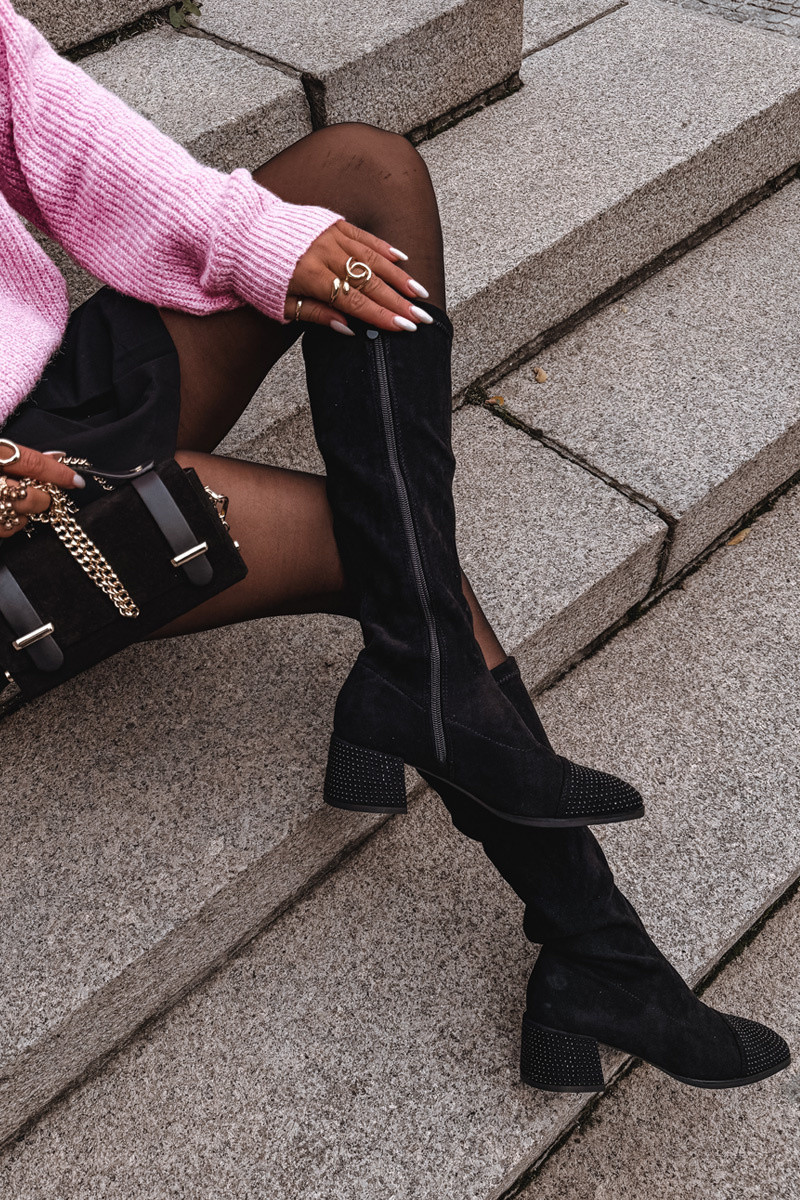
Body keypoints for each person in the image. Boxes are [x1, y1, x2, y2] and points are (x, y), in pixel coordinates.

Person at [0, 0, 789, 1093]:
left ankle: (416, 675)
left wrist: (269, 243)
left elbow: (51, 119)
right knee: (384, 547)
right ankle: (598, 952)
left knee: (362, 175)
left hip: (39, 396)